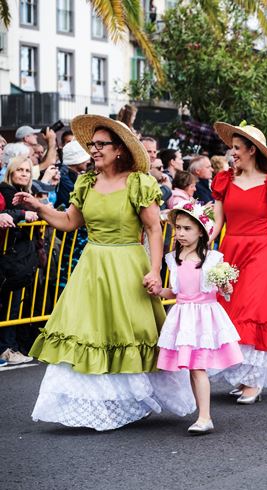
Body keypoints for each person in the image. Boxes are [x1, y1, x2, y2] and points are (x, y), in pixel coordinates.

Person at [14, 114, 195, 430]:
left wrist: (155, 271)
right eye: (92, 145)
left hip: (127, 265)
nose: (94, 150)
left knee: (127, 333)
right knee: (88, 332)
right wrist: (39, 207)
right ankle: (95, 403)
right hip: (92, 267)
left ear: (119, 150)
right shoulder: (86, 182)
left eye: (101, 145)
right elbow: (69, 222)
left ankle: (129, 399)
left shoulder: (139, 183)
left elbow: (154, 229)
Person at [209, 121, 267, 404]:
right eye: (231, 147)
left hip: (261, 253)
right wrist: (196, 246)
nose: (232, 153)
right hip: (231, 252)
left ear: (252, 150)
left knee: (255, 311)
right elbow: (216, 224)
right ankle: (241, 375)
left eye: (237, 148)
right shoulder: (225, 181)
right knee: (232, 313)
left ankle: (254, 380)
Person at [157, 202, 244, 434]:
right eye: (178, 228)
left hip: (204, 318)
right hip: (183, 317)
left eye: (187, 228)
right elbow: (174, 292)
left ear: (201, 232)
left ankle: (205, 417)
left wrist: (224, 283)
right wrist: (158, 291)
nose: (181, 233)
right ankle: (202, 414)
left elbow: (227, 292)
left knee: (197, 367)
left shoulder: (213, 259)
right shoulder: (172, 258)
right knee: (193, 368)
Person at [0, 156, 40, 365]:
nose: (24, 173)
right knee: (9, 305)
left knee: (16, 305)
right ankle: (7, 348)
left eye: (27, 170)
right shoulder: (7, 191)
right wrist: (24, 213)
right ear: (11, 172)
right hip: (10, 258)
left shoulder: (25, 194)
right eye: (20, 170)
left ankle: (12, 346)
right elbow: (4, 213)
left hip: (21, 258)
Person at [57, 140, 91, 209]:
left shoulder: (71, 173)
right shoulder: (63, 175)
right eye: (86, 159)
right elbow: (79, 198)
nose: (89, 161)